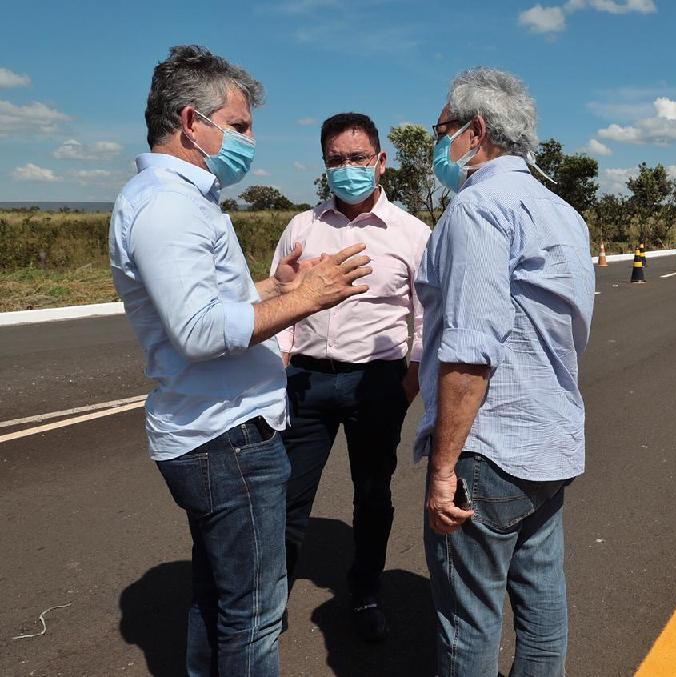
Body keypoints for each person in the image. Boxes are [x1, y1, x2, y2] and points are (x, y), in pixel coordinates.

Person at [108, 45, 371, 676]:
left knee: (219, 598)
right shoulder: (168, 206)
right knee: (253, 617)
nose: (251, 140)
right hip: (225, 441)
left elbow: (204, 307)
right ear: (192, 121)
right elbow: (199, 333)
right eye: (241, 126)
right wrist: (309, 298)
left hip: (217, 433)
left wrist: (274, 290)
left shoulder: (179, 198)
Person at [414, 67, 595, 676]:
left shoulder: (477, 211)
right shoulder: (562, 213)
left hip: (489, 451)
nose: (440, 143)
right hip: (550, 440)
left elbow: (469, 354)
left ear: (476, 131)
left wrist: (442, 471)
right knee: (543, 605)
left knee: (468, 622)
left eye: (442, 129)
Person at [271, 113, 430, 641]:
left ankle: (364, 593)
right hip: (308, 383)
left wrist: (405, 387)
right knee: (288, 496)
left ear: (381, 161)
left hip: (377, 385)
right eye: (336, 160)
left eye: (359, 158)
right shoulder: (303, 227)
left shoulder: (411, 234)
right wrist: (284, 365)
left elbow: (427, 321)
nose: (349, 169)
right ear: (325, 167)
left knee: (373, 495)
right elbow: (281, 302)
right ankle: (271, 601)